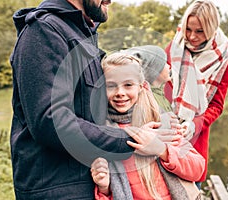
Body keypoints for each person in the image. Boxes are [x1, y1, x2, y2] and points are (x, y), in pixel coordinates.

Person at [9, 0, 174, 199]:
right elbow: (51, 121)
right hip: (59, 189)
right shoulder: (44, 31)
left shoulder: (82, 34)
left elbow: (98, 107)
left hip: (89, 185)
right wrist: (131, 138)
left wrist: (157, 123)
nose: (109, 0)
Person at [90, 52, 205, 199]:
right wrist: (104, 188)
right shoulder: (103, 134)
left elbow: (198, 169)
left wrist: (162, 150)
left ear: (141, 86)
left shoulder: (160, 122)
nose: (120, 92)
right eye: (111, 86)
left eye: (128, 85)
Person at [164, 0, 228, 189]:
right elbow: (156, 89)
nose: (191, 36)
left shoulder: (223, 57)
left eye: (200, 31)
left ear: (211, 29)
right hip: (165, 137)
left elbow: (217, 106)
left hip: (195, 142)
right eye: (188, 29)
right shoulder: (174, 47)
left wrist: (193, 125)